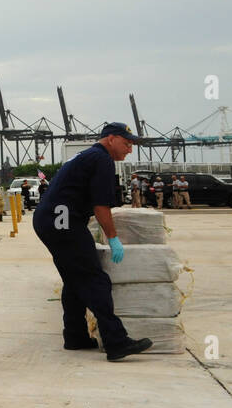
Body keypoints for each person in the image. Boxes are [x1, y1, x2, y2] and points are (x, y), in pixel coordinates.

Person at [32, 123, 153, 361]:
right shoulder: (101, 160)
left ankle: (75, 336)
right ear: (110, 139)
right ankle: (116, 342)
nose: (129, 150)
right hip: (62, 222)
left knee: (75, 279)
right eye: (126, 143)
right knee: (94, 278)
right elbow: (101, 206)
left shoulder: (90, 156)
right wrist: (113, 238)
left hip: (52, 220)